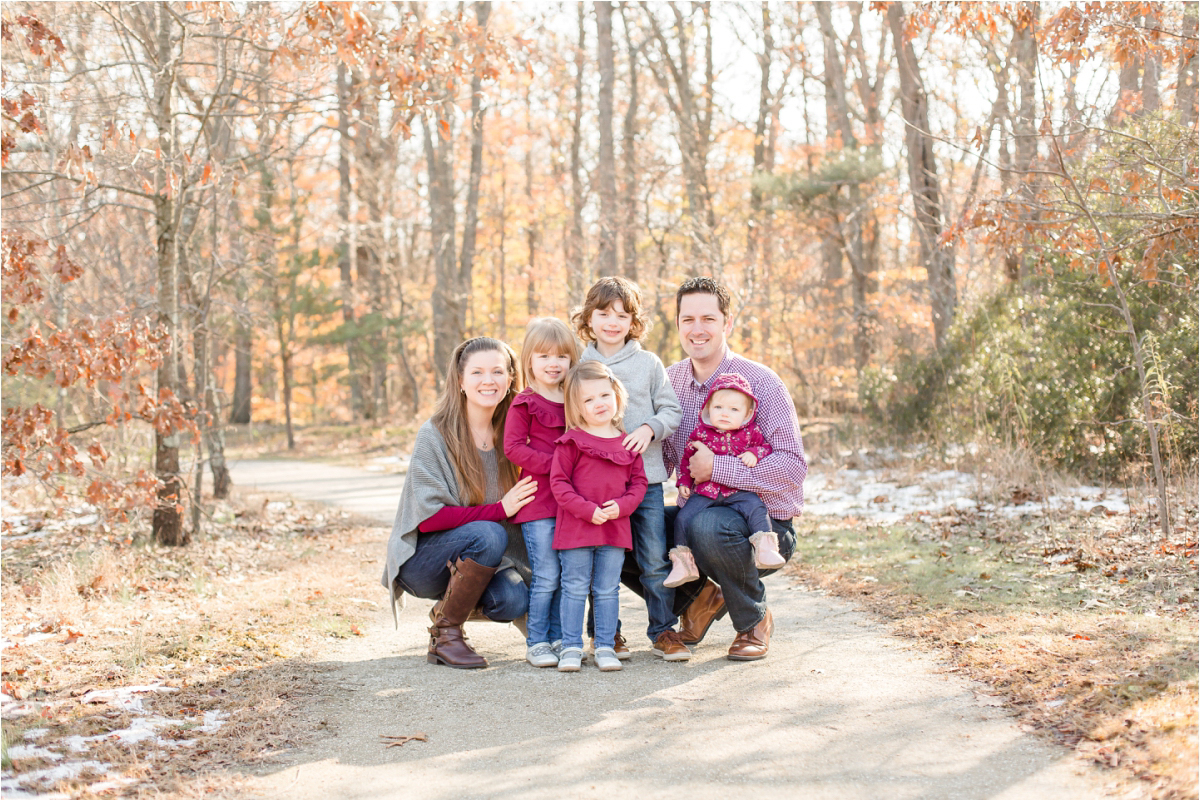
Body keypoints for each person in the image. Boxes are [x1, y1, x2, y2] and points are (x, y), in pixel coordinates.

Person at [662, 277, 807, 661]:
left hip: (765, 526)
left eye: (708, 318)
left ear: (727, 324)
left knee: (707, 527)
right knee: (630, 531)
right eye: (687, 319)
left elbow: (793, 468)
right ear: (677, 324)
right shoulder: (669, 381)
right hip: (699, 509)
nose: (697, 329)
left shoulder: (762, 383)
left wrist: (719, 468)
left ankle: (753, 620)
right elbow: (660, 458)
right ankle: (703, 594)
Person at [382, 337, 538, 669]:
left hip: (485, 561)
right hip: (424, 561)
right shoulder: (435, 434)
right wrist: (500, 510)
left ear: (511, 379)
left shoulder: (515, 436)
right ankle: (447, 634)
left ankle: (446, 609)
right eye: (477, 372)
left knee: (512, 600)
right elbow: (428, 520)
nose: (488, 380)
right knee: (489, 534)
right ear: (461, 381)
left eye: (498, 371)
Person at [574, 276, 688, 662]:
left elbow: (671, 410)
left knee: (654, 559)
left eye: (622, 315)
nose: (612, 322)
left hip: (648, 481)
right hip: (594, 486)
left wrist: (648, 428)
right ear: (589, 317)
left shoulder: (647, 363)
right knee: (600, 559)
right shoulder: (579, 363)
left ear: (633, 321)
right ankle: (607, 634)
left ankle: (662, 630)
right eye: (604, 313)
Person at [550, 361, 648, 672]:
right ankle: (570, 646)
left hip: (614, 529)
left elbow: (639, 483)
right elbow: (559, 483)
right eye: (588, 400)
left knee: (607, 589)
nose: (598, 404)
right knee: (575, 586)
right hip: (577, 529)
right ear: (576, 408)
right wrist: (585, 509)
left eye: (604, 395)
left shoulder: (627, 443)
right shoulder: (571, 442)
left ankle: (605, 646)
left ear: (617, 395)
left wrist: (623, 506)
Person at [503, 318, 579, 668]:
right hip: (540, 501)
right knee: (546, 573)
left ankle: (563, 637)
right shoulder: (525, 402)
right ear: (529, 359)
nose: (554, 363)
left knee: (568, 572)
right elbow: (514, 448)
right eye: (544, 355)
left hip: (573, 503)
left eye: (562, 356)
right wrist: (557, 464)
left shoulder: (574, 399)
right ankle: (537, 640)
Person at [666, 371, 783, 588]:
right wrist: (683, 482)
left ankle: (766, 549)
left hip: (737, 491)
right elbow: (687, 459)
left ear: (747, 414)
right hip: (706, 492)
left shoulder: (751, 433)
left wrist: (755, 453)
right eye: (718, 407)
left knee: (756, 508)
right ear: (708, 407)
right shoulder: (700, 434)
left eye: (734, 409)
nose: (725, 413)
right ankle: (683, 565)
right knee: (682, 519)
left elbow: (766, 447)